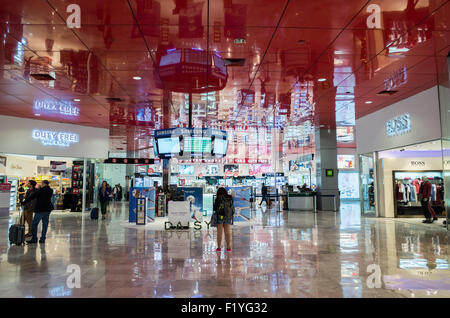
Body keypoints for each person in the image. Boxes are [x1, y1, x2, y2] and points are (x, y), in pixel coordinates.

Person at [21, 180, 54, 244]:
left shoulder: (40, 190)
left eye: (41, 183)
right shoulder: (50, 190)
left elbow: (32, 197)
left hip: (40, 209)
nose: (40, 184)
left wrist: (24, 202)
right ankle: (42, 239)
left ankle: (34, 238)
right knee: (45, 224)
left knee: (34, 224)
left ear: (44, 183)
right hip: (48, 209)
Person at [213, 187, 234, 252]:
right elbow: (232, 206)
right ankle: (228, 248)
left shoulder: (218, 198)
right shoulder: (230, 197)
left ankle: (219, 248)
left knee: (219, 233)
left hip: (220, 216)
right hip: (228, 216)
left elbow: (215, 208)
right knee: (227, 232)